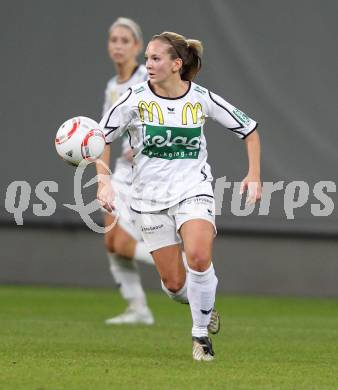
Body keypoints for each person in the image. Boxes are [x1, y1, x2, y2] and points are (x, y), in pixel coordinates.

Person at [97, 31, 261, 361]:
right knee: (174, 285)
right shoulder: (133, 99)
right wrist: (104, 182)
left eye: (155, 59)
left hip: (193, 189)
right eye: (147, 59)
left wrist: (254, 175)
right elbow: (100, 138)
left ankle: (200, 337)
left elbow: (249, 130)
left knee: (199, 257)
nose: (149, 64)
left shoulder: (200, 98)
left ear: (176, 64)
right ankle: (204, 304)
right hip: (149, 199)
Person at [98, 17, 154, 325]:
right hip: (121, 169)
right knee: (111, 243)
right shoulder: (112, 86)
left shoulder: (148, 77)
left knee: (121, 243)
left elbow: (165, 110)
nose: (118, 45)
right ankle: (138, 308)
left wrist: (147, 144)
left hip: (147, 171)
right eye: (113, 40)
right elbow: (108, 129)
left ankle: (179, 264)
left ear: (138, 46)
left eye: (125, 40)